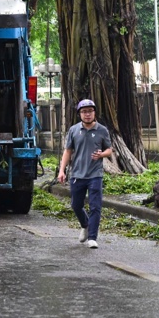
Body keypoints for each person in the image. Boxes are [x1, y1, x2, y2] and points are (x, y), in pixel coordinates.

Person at [57, 98, 112, 249]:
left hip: (95, 174)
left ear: (94, 113)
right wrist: (62, 171)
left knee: (95, 206)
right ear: (79, 114)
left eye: (90, 111)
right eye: (84, 112)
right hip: (77, 174)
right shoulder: (74, 130)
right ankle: (85, 225)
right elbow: (68, 151)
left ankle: (92, 237)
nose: (87, 114)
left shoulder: (102, 130)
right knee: (76, 205)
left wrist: (101, 154)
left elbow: (109, 149)